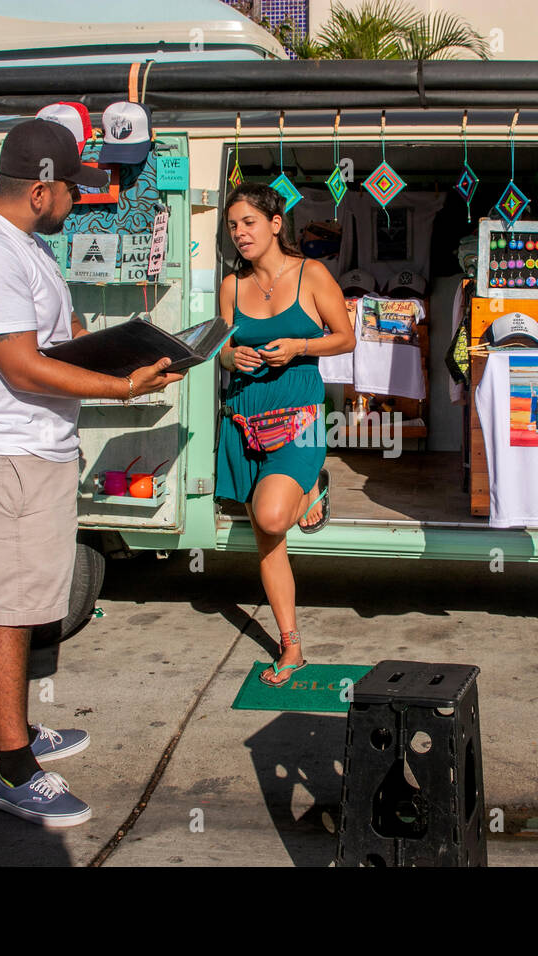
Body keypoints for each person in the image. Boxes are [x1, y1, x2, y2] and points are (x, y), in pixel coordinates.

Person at [0, 118, 182, 827]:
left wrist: (125, 349)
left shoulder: (26, 245)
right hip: (7, 455)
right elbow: (20, 365)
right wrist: (123, 388)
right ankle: (13, 768)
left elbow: (58, 343)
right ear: (41, 187)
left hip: (37, 452)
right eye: (73, 186)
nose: (80, 198)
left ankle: (12, 732)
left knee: (31, 603)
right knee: (9, 611)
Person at [216, 183, 355, 686]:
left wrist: (300, 346)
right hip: (244, 422)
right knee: (268, 542)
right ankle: (291, 647)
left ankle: (313, 482)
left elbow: (346, 336)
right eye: (233, 226)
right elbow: (222, 348)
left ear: (275, 224)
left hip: (297, 418)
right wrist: (235, 356)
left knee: (273, 515)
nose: (240, 234)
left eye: (248, 223)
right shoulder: (232, 286)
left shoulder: (312, 274)